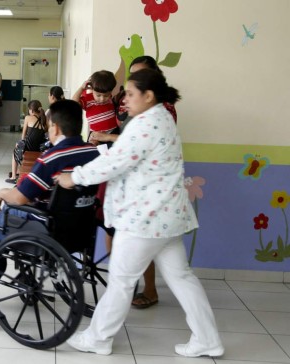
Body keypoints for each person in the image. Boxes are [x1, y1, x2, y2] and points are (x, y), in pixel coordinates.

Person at [58, 69, 224, 358]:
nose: (125, 100)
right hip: (166, 217)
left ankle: (98, 338)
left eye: (131, 94)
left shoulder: (147, 124)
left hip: (145, 219)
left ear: (149, 95)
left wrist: (75, 177)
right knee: (182, 277)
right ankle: (207, 339)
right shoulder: (159, 118)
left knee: (121, 280)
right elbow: (120, 156)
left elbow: (116, 162)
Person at [0, 100, 99, 288]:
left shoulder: (52, 158)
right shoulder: (93, 153)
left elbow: (20, 197)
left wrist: (1, 192)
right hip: (81, 228)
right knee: (8, 212)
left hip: (45, 229)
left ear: (55, 128)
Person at [91, 55, 178, 310]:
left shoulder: (163, 109)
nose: (132, 85)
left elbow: (140, 143)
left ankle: (147, 289)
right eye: (131, 76)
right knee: (111, 227)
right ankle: (118, 285)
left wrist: (107, 136)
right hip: (118, 172)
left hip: (145, 185)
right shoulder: (123, 100)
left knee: (144, 240)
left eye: (140, 76)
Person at [5, 100, 47, 184]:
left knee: (15, 151)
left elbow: (23, 135)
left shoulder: (28, 118)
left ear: (31, 110)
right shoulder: (45, 121)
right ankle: (18, 173)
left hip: (28, 147)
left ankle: (14, 176)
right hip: (39, 149)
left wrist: (20, 143)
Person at [72, 70, 118, 143]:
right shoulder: (87, 99)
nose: (102, 99)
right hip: (96, 135)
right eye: (98, 95)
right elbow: (74, 103)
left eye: (106, 95)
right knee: (91, 149)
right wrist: (81, 88)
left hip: (113, 131)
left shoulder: (111, 97)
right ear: (92, 89)